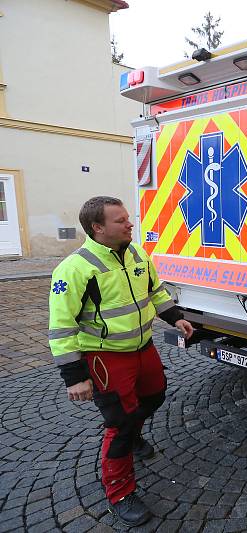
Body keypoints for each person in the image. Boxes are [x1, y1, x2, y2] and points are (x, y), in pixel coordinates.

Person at [48, 196, 194, 527]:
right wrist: (74, 376)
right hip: (105, 357)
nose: (130, 224)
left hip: (143, 347)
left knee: (155, 396)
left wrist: (175, 318)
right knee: (120, 423)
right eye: (121, 220)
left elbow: (155, 291)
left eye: (128, 218)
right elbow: (61, 328)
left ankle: (134, 435)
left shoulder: (137, 252)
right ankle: (120, 493)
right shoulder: (73, 269)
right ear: (97, 228)